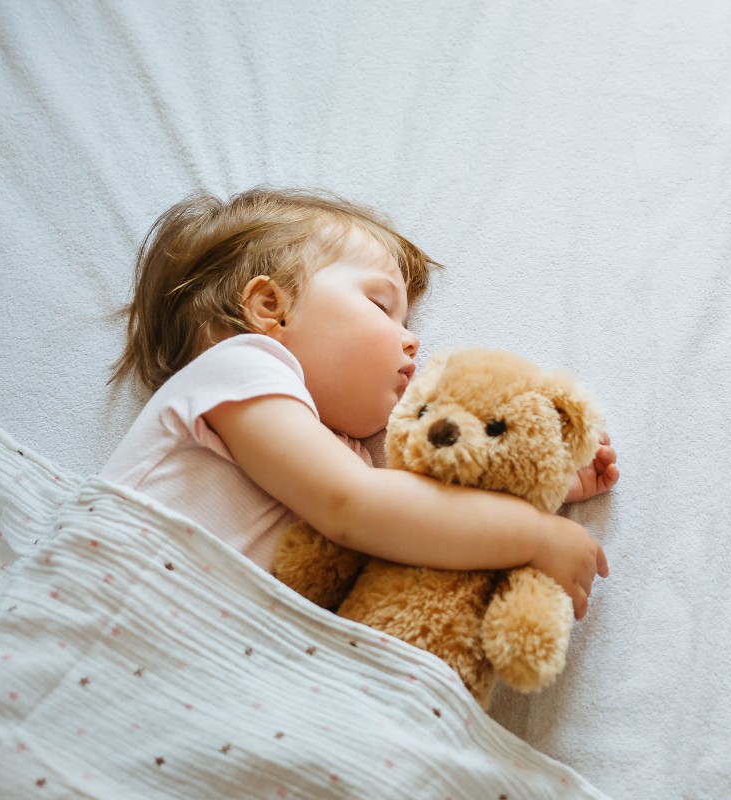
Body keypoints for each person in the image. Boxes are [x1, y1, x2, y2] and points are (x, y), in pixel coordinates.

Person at [102, 188, 618, 618]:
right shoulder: (240, 368)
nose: (412, 341)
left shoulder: (348, 452)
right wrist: (532, 535)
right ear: (269, 308)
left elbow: (412, 518)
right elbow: (354, 506)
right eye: (381, 305)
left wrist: (524, 483)